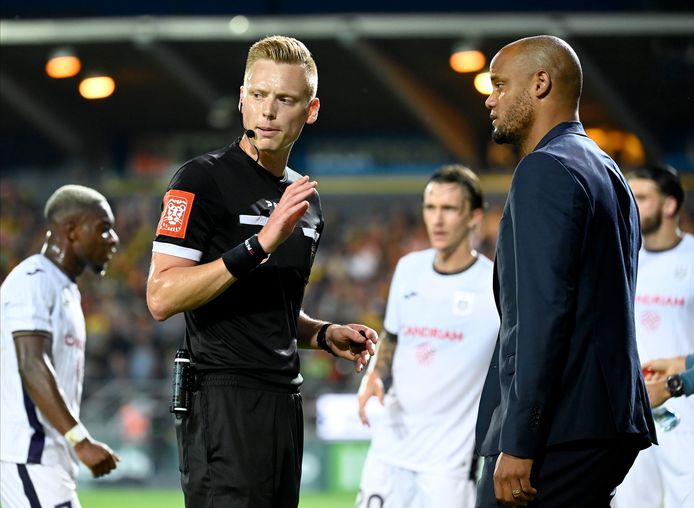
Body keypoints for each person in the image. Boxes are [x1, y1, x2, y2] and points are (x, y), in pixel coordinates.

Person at [145, 35, 377, 508]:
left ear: (310, 110)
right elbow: (161, 296)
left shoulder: (305, 201)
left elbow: (270, 310)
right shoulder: (199, 180)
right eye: (258, 95)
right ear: (241, 99)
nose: (267, 111)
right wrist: (259, 244)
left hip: (284, 400)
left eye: (284, 99)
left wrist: (323, 333)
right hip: (220, 399)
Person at [474, 35, 656, 507]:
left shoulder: (545, 170)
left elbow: (541, 315)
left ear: (540, 83)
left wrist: (519, 437)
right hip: (605, 420)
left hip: (560, 428)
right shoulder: (607, 169)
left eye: (498, 84)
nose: (489, 98)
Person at [356, 165, 500, 508]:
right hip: (390, 449)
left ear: (473, 218)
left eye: (449, 209)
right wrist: (376, 373)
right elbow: (391, 335)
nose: (437, 219)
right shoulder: (409, 269)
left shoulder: (495, 285)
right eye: (430, 207)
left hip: (449, 465)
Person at [1, 184, 120, 507]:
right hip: (31, 452)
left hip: (50, 459)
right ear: (71, 230)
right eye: (104, 229)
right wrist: (80, 440)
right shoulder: (33, 279)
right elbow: (32, 364)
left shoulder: (65, 289)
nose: (114, 239)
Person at [612, 164, 694, 508]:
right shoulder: (619, 259)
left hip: (685, 411)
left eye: (642, 197)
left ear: (670, 205)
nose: (632, 204)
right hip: (633, 411)